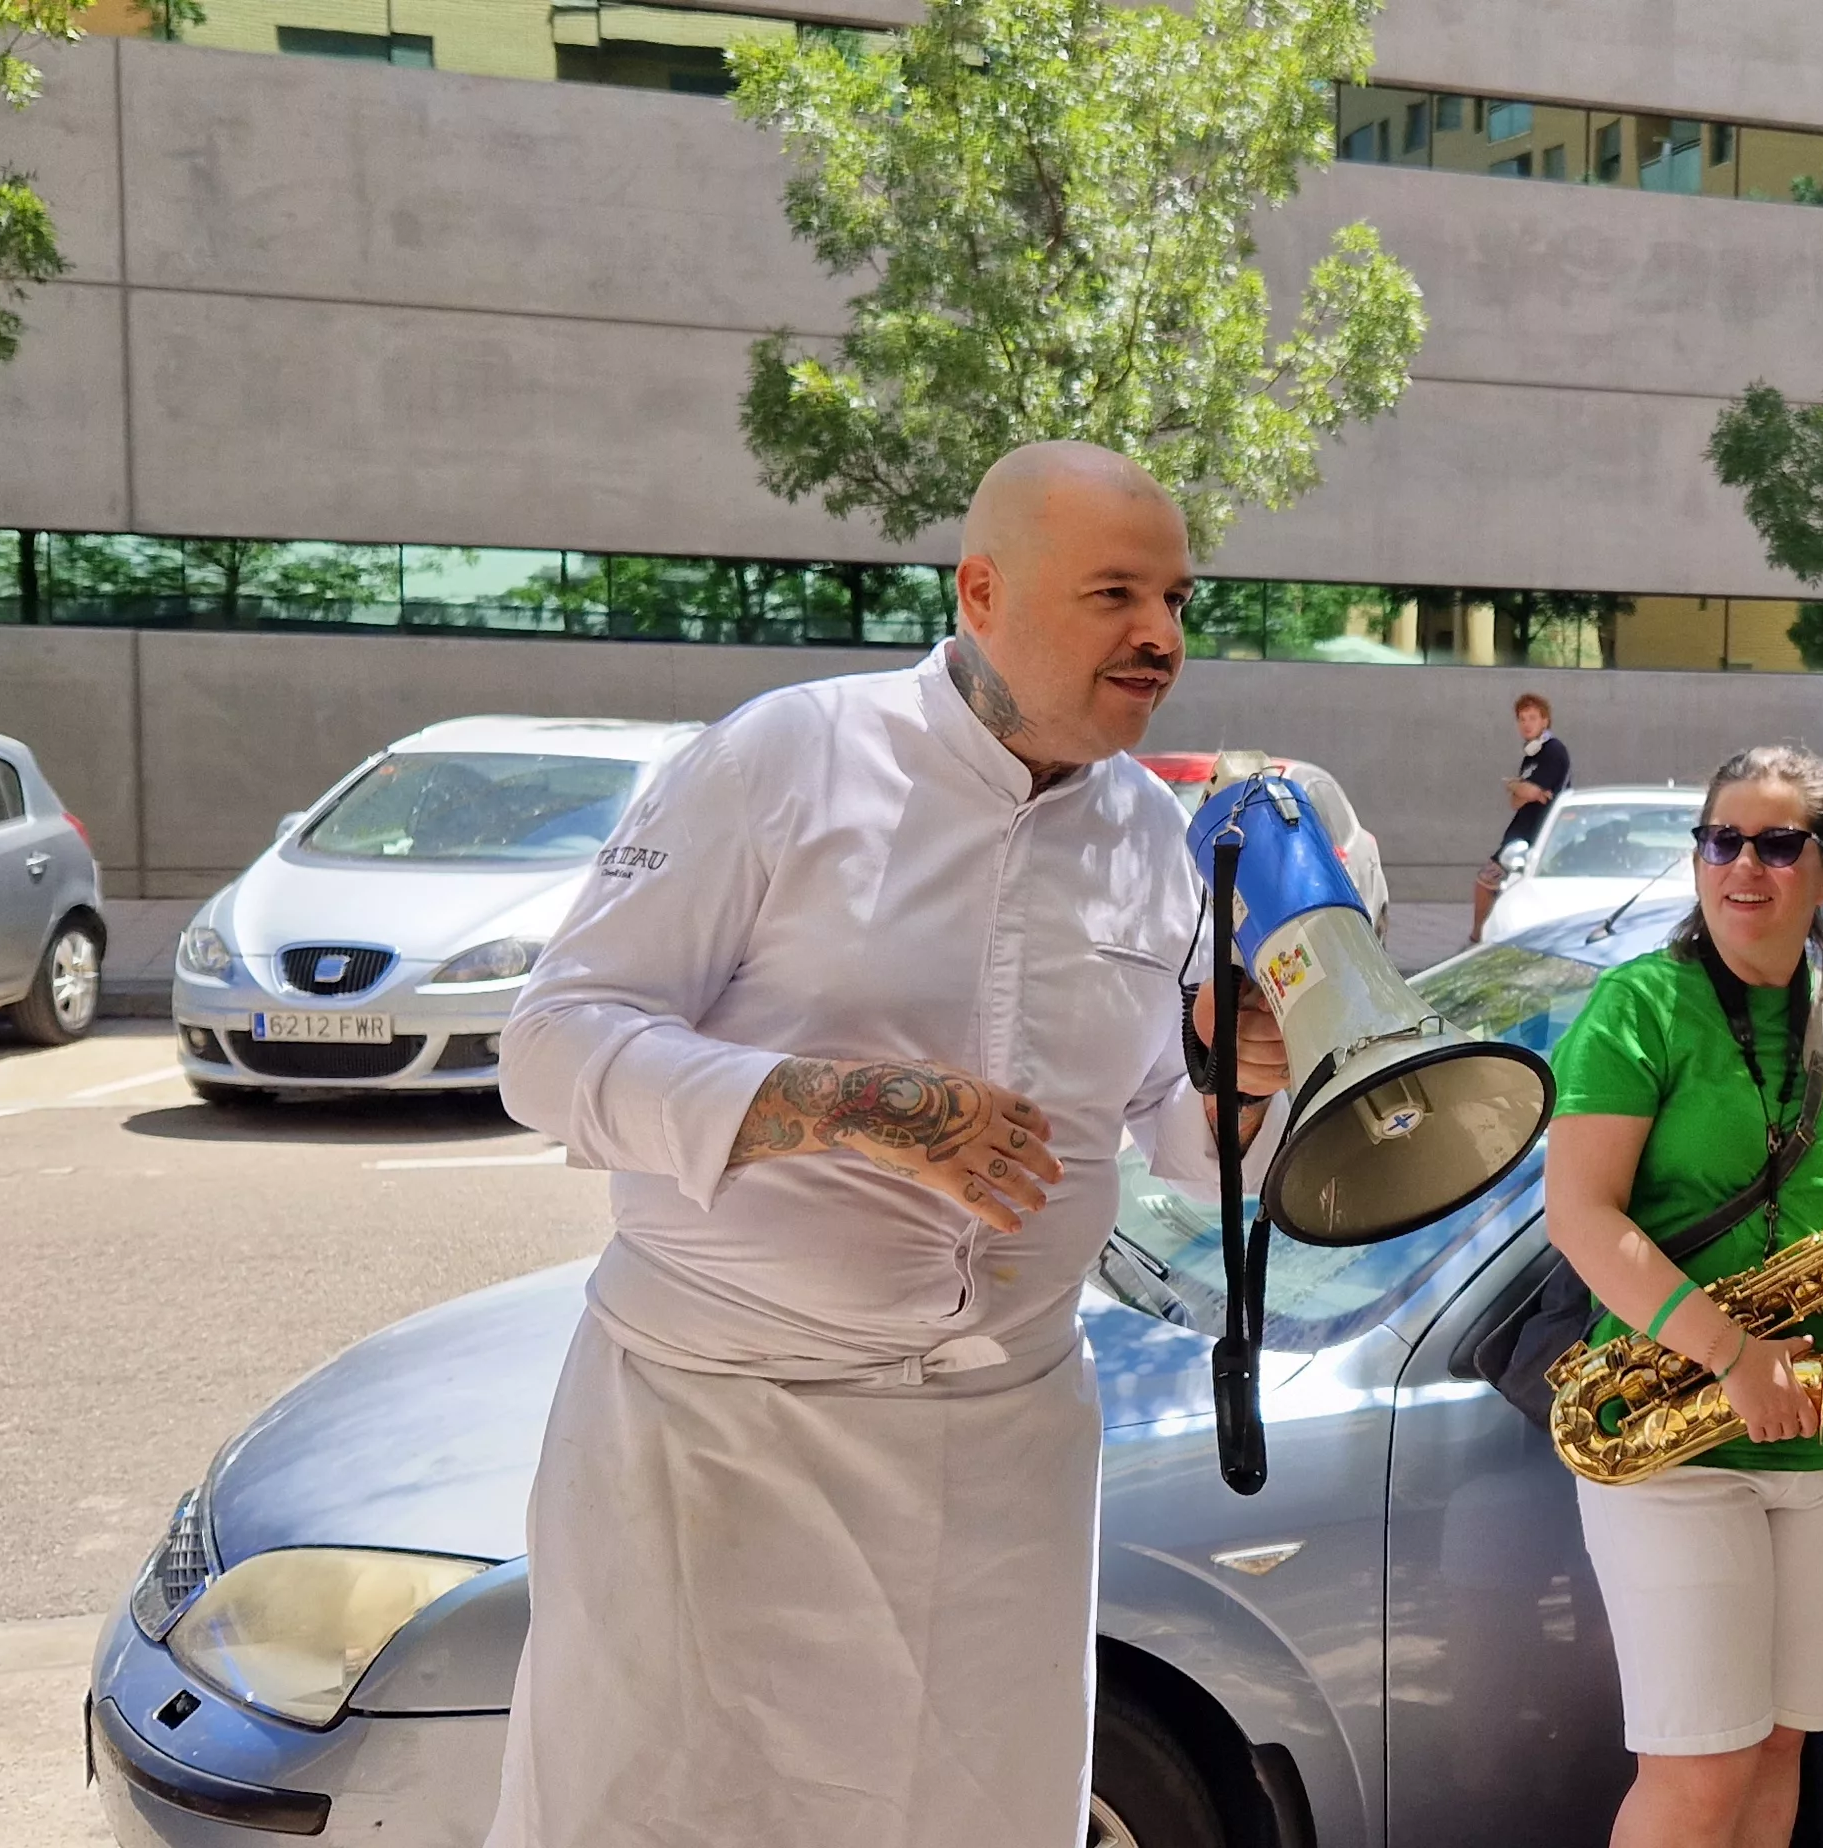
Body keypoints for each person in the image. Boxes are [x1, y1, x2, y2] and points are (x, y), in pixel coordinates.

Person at [484, 441, 1288, 1848]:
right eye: (1114, 595)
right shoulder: (788, 753)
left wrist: (1247, 1080)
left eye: (1173, 599)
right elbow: (549, 1049)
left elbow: (1172, 1124)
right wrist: (856, 1108)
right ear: (982, 590)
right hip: (719, 1442)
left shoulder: (1150, 833)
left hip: (1003, 1468)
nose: (1160, 636)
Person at [1541, 743, 1823, 1848]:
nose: (1744, 866)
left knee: (1776, 1750)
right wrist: (1732, 1353)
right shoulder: (1643, 1007)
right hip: (1680, 1441)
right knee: (1701, 1769)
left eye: (1777, 843)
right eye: (1721, 841)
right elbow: (1580, 1211)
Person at [1474, 690, 1574, 941]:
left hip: (1540, 834)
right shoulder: (1530, 755)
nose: (1526, 724)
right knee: (1494, 886)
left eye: (1532, 718)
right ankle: (1483, 937)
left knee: (1490, 883)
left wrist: (1518, 786)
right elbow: (1517, 801)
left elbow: (1528, 791)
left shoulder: (1553, 751)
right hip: (1521, 831)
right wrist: (1522, 789)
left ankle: (1478, 939)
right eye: (1522, 719)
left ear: (1545, 721)